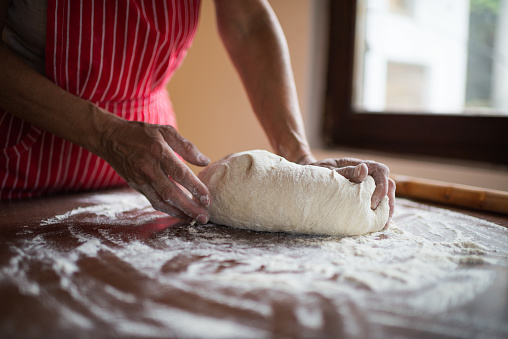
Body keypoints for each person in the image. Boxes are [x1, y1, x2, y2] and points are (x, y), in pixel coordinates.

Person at [0, 0, 395, 225]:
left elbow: (248, 21)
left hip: (144, 173)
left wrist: (299, 158)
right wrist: (105, 133)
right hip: (19, 161)